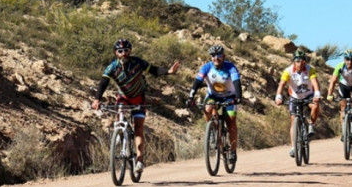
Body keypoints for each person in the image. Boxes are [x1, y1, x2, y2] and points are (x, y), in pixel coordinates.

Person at [92, 39, 181, 173]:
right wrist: (97, 99)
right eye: (120, 51)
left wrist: (168, 71)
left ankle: (139, 161)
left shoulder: (138, 62)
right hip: (123, 97)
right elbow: (103, 83)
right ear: (116, 53)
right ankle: (119, 132)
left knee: (139, 128)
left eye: (126, 50)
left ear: (130, 51)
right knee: (119, 113)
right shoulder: (112, 67)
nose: (123, 54)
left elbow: (154, 70)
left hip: (139, 99)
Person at [185, 45, 243, 163]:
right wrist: (191, 96)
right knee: (207, 108)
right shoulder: (206, 67)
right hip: (213, 96)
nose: (216, 58)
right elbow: (197, 82)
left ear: (224, 56)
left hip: (229, 97)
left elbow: (237, 83)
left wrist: (238, 97)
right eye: (213, 56)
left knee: (231, 120)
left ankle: (233, 151)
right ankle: (212, 130)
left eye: (219, 55)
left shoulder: (230, 67)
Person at [275, 50, 322, 158]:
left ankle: (311, 125)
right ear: (293, 62)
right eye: (297, 61)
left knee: (315, 106)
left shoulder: (310, 69)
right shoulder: (288, 71)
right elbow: (282, 84)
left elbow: (315, 82)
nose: (300, 63)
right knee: (293, 120)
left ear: (305, 62)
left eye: (302, 61)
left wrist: (317, 94)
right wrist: (278, 96)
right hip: (294, 97)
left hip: (308, 95)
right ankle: (293, 147)